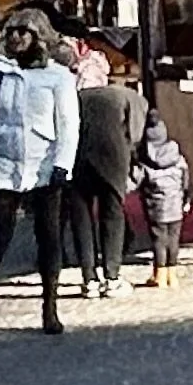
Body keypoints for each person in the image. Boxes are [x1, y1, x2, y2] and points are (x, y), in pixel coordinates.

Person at [0, 8, 79, 336]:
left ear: (39, 35)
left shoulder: (58, 76)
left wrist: (62, 165)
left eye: (22, 31)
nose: (15, 38)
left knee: (49, 237)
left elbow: (68, 125)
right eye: (11, 31)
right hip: (6, 163)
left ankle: (49, 308)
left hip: (44, 165)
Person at [64, 43, 146, 296]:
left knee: (81, 218)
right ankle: (112, 276)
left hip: (76, 158)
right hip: (112, 159)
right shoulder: (121, 96)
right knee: (112, 214)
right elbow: (136, 132)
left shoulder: (70, 98)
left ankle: (88, 278)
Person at [133, 101, 190, 287]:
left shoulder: (145, 162)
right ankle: (172, 274)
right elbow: (185, 179)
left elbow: (136, 180)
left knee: (158, 239)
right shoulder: (177, 156)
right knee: (174, 238)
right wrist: (186, 198)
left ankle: (159, 274)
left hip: (155, 207)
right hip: (176, 205)